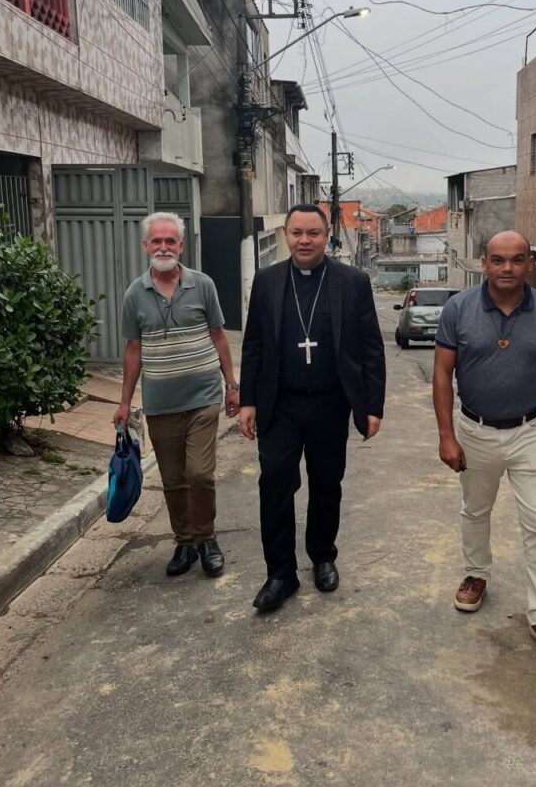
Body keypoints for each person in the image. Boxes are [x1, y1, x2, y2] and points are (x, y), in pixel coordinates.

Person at [433, 230, 536, 659]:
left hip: (531, 430)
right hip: (475, 430)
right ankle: (476, 574)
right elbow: (442, 373)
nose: (508, 268)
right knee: (475, 510)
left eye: (517, 259)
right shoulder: (459, 309)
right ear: (484, 263)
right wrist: (446, 435)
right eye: (498, 260)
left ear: (530, 263)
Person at [239, 204, 386, 613]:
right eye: (297, 233)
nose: (305, 240)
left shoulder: (352, 282)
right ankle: (280, 574)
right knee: (274, 485)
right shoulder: (267, 280)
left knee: (326, 484)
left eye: (313, 233)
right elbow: (253, 344)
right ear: (286, 235)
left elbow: (371, 347)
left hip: (330, 403)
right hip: (280, 404)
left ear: (326, 237)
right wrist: (248, 400)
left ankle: (322, 556)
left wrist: (372, 405)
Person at [112, 212, 239, 578]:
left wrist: (231, 386)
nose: (164, 247)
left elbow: (218, 336)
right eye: (157, 241)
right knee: (173, 479)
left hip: (203, 397)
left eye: (170, 241)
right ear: (145, 246)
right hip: (160, 404)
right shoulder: (135, 294)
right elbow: (133, 349)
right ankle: (185, 542)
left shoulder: (203, 285)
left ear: (181, 246)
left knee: (199, 474)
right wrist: (125, 402)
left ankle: (207, 538)